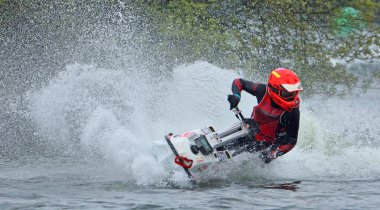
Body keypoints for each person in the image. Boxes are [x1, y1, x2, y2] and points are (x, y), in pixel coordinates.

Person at [227, 68, 303, 163]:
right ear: (275, 89)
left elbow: (291, 140)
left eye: (294, 93)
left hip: (269, 145)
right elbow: (239, 82)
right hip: (252, 130)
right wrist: (236, 96)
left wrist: (275, 153)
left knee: (236, 159)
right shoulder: (262, 91)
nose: (292, 97)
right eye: (287, 93)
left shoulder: (293, 111)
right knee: (227, 146)